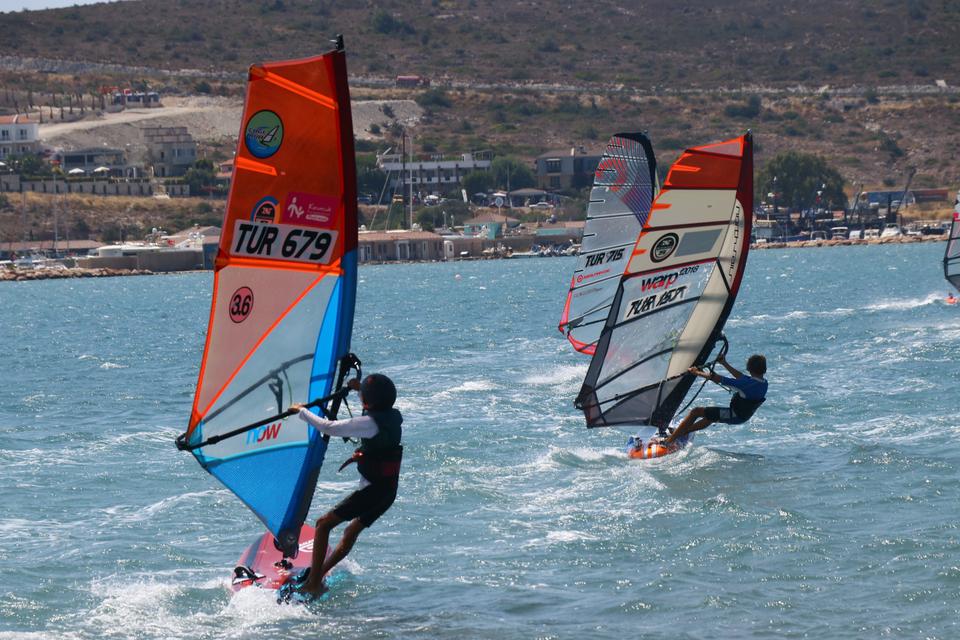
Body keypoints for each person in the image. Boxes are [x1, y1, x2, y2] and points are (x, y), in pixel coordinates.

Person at [283, 373, 403, 599]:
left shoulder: (369, 423)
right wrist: (359, 389)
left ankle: (313, 584)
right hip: (388, 490)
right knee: (349, 531)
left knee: (323, 524)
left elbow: (329, 427)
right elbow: (372, 411)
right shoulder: (392, 416)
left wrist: (302, 412)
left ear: (369, 402)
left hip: (373, 491)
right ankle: (317, 576)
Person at [662, 353, 768, 446]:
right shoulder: (763, 383)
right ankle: (682, 432)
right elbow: (741, 377)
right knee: (711, 416)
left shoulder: (746, 384)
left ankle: (669, 441)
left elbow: (718, 378)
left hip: (735, 415)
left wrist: (696, 372)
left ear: (749, 368)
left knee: (696, 412)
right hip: (742, 416)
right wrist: (724, 363)